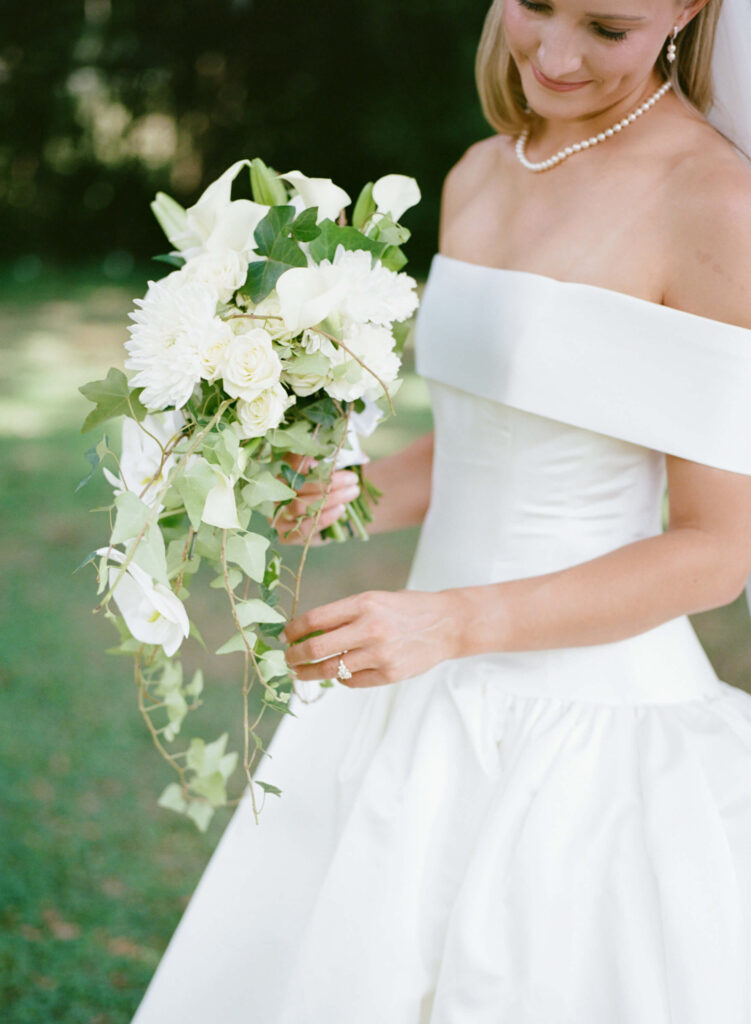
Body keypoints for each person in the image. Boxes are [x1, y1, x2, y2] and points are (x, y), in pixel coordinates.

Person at [131, 1, 751, 1021]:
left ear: (687, 8)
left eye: (607, 28)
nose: (555, 53)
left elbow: (715, 552)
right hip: (416, 680)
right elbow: (480, 445)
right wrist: (334, 496)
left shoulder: (717, 202)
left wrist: (455, 623)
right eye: (536, 4)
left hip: (580, 720)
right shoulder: (481, 170)